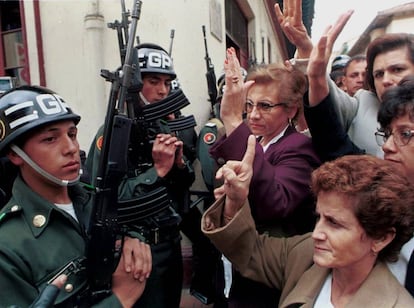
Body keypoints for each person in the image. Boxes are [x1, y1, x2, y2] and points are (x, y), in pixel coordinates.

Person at [202, 135, 414, 307]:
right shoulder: (305, 256)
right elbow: (250, 251)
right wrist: (236, 201)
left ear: (381, 237)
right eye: (319, 217)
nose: (317, 233)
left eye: (334, 223)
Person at [0, 86, 151, 307]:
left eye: (72, 134)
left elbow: (126, 226)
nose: (71, 148)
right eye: (50, 139)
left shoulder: (95, 199)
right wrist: (120, 300)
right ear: (15, 154)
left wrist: (133, 239)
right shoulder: (8, 246)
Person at [86, 42, 212, 308]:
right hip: (138, 251)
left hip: (170, 242)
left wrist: (178, 165)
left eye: (167, 82)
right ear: (133, 84)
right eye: (153, 81)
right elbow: (106, 200)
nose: (163, 90)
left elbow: (181, 186)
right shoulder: (113, 132)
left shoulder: (163, 125)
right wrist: (157, 171)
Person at [207, 47, 321, 307]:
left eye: (265, 106)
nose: (254, 114)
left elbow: (276, 202)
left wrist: (234, 121)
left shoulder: (298, 148)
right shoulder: (257, 139)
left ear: (291, 110)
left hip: (268, 271)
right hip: (238, 258)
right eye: (249, 105)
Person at [275, 0, 414, 159]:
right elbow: (324, 111)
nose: (386, 80)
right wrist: (307, 54)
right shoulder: (362, 104)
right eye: (379, 74)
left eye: (397, 70)